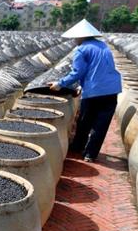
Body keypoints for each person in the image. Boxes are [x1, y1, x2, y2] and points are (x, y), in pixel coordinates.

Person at [49, 19, 122, 163]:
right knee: (101, 124)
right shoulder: (103, 46)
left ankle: (77, 147)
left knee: (85, 121)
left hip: (95, 91)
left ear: (82, 37)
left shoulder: (81, 50)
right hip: (112, 89)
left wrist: (59, 83)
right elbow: (100, 69)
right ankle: (90, 154)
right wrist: (82, 86)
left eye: (76, 37)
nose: (75, 40)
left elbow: (77, 72)